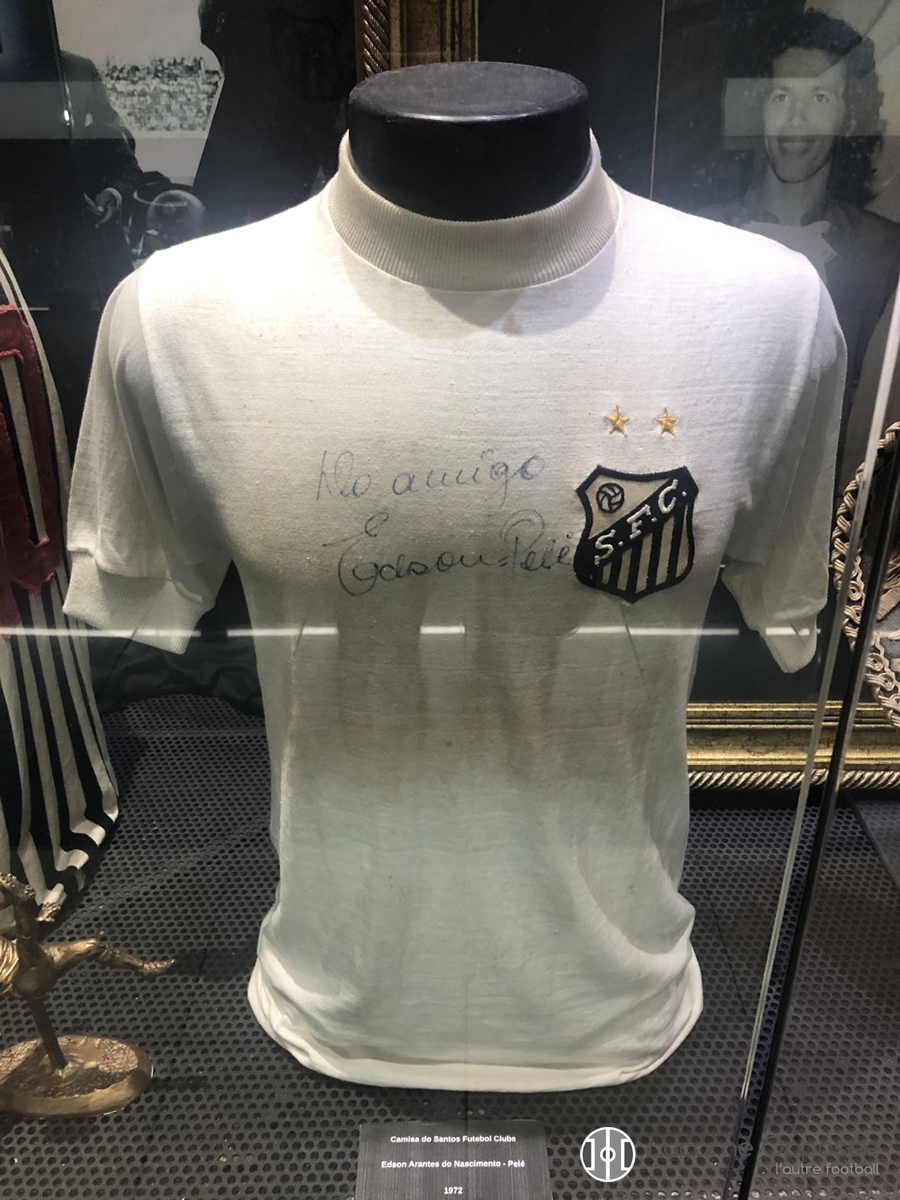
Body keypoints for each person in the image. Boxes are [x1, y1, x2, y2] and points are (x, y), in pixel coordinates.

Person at [704, 10, 900, 439]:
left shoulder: (883, 255)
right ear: (758, 109)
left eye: (819, 98)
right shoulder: (697, 233)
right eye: (781, 97)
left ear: (849, 116)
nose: (796, 120)